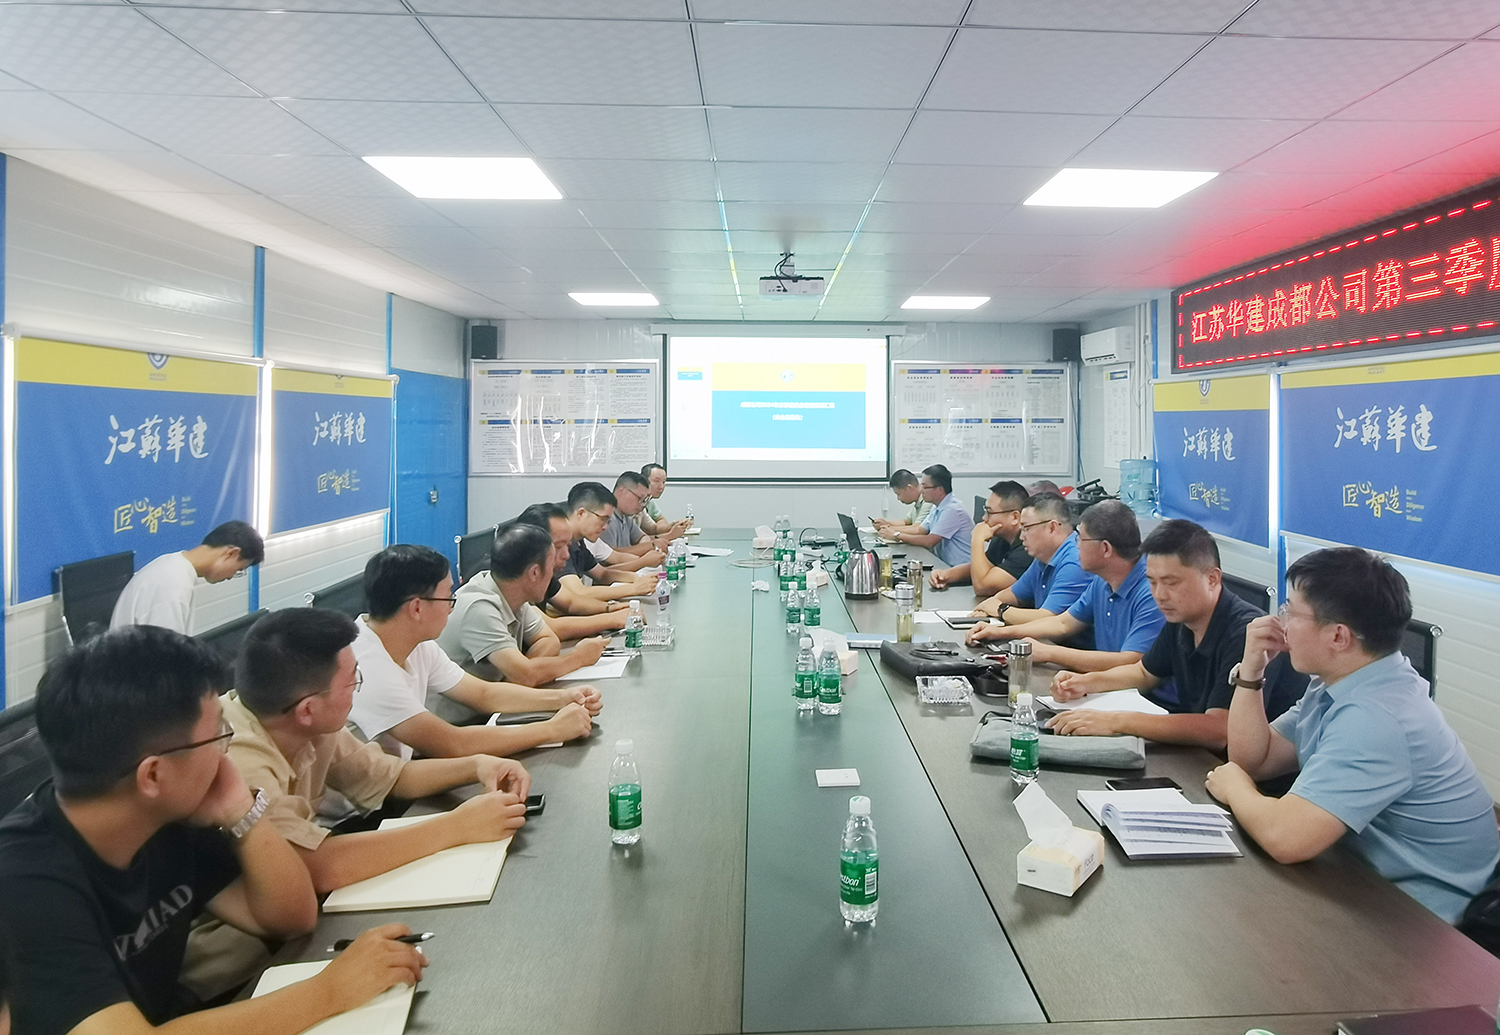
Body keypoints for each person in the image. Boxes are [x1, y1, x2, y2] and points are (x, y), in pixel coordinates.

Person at [0, 625, 426, 1035]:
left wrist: (242, 812)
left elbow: (291, 917)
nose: (227, 752)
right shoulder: (24, 881)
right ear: (153, 775)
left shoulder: (172, 817)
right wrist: (329, 992)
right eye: (218, 736)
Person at [1207, 548, 1498, 923]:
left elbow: (1285, 838)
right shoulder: (1342, 682)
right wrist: (1251, 672)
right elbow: (1254, 761)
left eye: (1291, 611)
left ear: (1338, 636)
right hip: (1364, 881)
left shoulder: (1378, 717)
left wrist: (1235, 788)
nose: (1280, 622)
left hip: (1428, 923)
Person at [226, 608, 530, 892]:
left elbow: (390, 777)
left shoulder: (307, 722)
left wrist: (476, 766)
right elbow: (315, 866)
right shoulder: (240, 760)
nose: (357, 688)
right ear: (307, 709)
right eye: (351, 682)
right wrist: (457, 827)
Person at [1047, 519, 1306, 748]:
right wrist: (1084, 682)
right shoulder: (1181, 617)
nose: (1160, 595)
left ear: (1212, 579)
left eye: (1171, 582)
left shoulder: (1246, 633)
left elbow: (1220, 728)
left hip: (1255, 773)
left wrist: (1116, 721)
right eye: (1152, 582)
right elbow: (1145, 673)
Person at [346, 544, 598, 760]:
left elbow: (484, 694)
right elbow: (453, 743)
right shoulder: (367, 669)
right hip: (379, 798)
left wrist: (564, 698)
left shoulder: (417, 644)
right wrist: (552, 729)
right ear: (417, 608)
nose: (451, 609)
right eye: (448, 598)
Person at [967, 501, 1162, 670]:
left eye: (1081, 539)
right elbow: (1063, 623)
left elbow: (1132, 662)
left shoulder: (1152, 591)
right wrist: (999, 632)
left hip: (1142, 697)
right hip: (1112, 685)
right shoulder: (1102, 580)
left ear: (1105, 549)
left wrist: (1050, 653)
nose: (1076, 545)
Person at [438, 522, 609, 685]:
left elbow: (549, 640)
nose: (553, 575)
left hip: (494, 700)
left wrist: (523, 675)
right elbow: (527, 676)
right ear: (534, 573)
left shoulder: (513, 594)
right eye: (551, 567)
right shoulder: (478, 608)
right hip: (466, 707)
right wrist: (578, 658)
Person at [110, 521, 265, 634]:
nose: (231, 577)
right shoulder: (172, 585)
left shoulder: (173, 566)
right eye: (238, 570)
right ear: (231, 553)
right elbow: (164, 657)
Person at [971, 492, 1092, 626]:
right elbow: (1014, 594)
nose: (1021, 537)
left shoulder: (1075, 562)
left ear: (1052, 528)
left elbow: (1049, 619)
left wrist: (1000, 609)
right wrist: (990, 604)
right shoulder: (1043, 557)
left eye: (1026, 529)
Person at [514, 502, 631, 640]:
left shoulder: (543, 571)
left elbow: (571, 602)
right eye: (558, 546)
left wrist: (611, 608)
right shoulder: (510, 579)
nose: (566, 555)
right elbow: (550, 628)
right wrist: (613, 619)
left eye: (568, 545)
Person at [560, 483, 658, 601]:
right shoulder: (558, 543)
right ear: (581, 513)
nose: (605, 527)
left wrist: (637, 578)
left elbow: (602, 574)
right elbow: (579, 593)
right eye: (603, 519)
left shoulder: (579, 541)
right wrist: (634, 588)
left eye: (608, 521)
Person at [930, 480, 1030, 593]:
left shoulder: (1027, 548)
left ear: (1015, 517)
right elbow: (982, 567)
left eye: (989, 513)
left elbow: (982, 587)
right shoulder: (1002, 538)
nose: (984, 518)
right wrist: (946, 575)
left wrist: (977, 539)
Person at [882, 464, 974, 568]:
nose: (921, 490)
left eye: (925, 487)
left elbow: (929, 541)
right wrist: (890, 530)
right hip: (943, 563)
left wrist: (896, 535)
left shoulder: (952, 510)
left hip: (961, 568)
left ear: (939, 489)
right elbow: (920, 530)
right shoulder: (936, 506)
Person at [601, 471, 671, 562]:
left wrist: (646, 546)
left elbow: (642, 537)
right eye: (639, 499)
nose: (643, 505)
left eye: (645, 500)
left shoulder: (626, 516)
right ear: (621, 492)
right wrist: (649, 546)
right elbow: (610, 556)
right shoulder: (605, 519)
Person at [637, 463, 691, 539]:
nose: (661, 487)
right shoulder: (634, 504)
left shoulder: (648, 501)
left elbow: (654, 528)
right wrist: (669, 535)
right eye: (656, 481)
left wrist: (675, 524)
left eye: (663, 482)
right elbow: (637, 540)